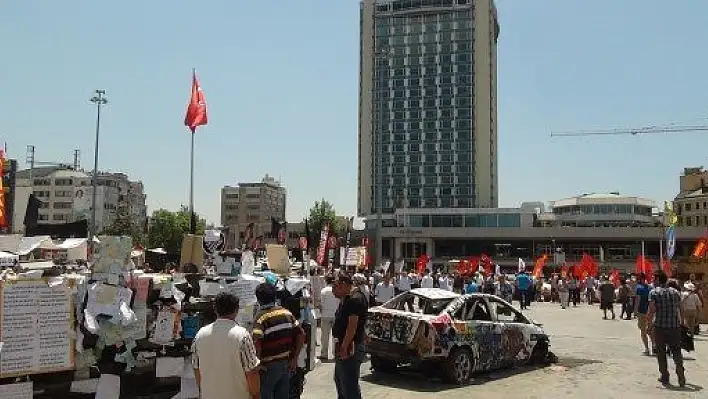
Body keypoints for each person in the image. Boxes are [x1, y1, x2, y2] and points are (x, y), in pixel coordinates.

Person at [191, 292, 260, 399]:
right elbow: (251, 372)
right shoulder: (242, 335)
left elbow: (196, 369)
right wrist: (256, 395)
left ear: (215, 309)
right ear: (237, 310)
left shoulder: (200, 335)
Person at [252, 283, 306, 399]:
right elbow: (301, 334)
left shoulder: (260, 317)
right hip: (286, 364)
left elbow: (257, 341)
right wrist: (295, 358)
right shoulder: (287, 313)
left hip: (268, 367)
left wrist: (257, 363)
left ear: (258, 299)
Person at [332, 270, 368, 399]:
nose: (333, 290)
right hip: (344, 345)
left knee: (349, 384)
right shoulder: (347, 298)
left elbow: (352, 326)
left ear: (343, 284)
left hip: (350, 347)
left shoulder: (355, 299)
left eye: (335, 286)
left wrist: (344, 347)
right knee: (340, 381)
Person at [647, 271, 685, 387]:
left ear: (658, 279)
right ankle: (680, 372)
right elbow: (681, 309)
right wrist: (681, 323)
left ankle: (665, 376)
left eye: (654, 278)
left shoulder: (654, 292)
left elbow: (652, 310)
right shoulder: (676, 292)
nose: (653, 280)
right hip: (674, 327)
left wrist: (648, 326)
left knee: (661, 353)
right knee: (676, 351)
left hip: (660, 327)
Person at [634, 273, 655, 356]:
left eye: (637, 279)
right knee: (650, 330)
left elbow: (638, 300)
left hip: (642, 312)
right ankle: (654, 346)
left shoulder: (639, 288)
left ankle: (647, 349)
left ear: (640, 279)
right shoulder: (651, 287)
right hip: (650, 312)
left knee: (643, 331)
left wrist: (635, 310)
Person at [320, 276, 340, 360]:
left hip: (325, 314)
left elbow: (321, 304)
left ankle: (324, 354)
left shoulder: (323, 290)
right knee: (335, 336)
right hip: (335, 314)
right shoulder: (337, 290)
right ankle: (335, 353)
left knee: (324, 336)